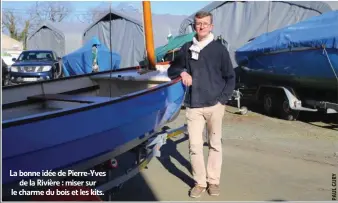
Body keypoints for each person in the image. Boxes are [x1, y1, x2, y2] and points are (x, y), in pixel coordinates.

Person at [167, 11, 235, 198]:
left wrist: (222, 100)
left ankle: (213, 182)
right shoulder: (187, 48)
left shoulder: (219, 49)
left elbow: (230, 77)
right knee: (195, 146)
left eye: (205, 23)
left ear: (211, 26)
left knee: (214, 144)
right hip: (194, 105)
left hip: (215, 105)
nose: (202, 26)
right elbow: (172, 69)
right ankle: (200, 182)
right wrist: (182, 72)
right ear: (194, 26)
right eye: (198, 23)